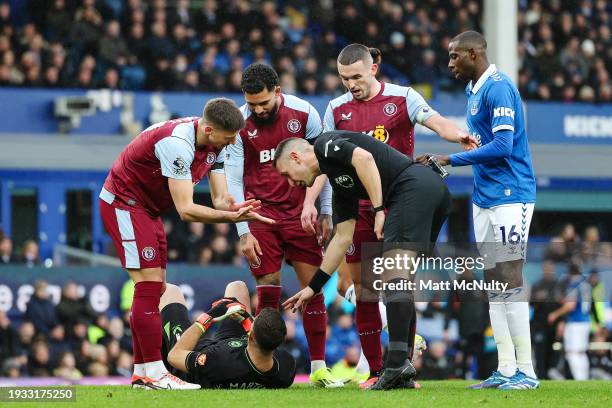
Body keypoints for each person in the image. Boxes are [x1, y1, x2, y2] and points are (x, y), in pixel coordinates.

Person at [323, 43, 476, 388]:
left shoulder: (402, 97)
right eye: (344, 78)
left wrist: (458, 135)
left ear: (373, 69)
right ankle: (377, 371)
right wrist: (314, 206)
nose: (351, 84)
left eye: (357, 76)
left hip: (398, 204)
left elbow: (435, 121)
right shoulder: (335, 109)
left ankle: (402, 366)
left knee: (398, 282)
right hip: (357, 207)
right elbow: (325, 163)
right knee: (364, 289)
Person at [99, 97, 273, 390]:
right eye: (228, 138)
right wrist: (230, 220)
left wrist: (232, 207)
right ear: (208, 130)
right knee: (149, 286)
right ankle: (153, 371)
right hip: (124, 204)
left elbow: (219, 199)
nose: (232, 144)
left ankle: (144, 372)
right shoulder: (177, 144)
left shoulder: (216, 143)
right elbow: (186, 210)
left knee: (156, 288)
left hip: (147, 209)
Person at [275, 131, 451, 390]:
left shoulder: (323, 145)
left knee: (394, 278)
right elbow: (342, 239)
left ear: (295, 157)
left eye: (286, 174)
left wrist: (379, 210)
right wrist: (313, 288)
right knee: (400, 282)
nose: (290, 183)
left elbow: (365, 158)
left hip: (412, 188)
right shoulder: (340, 183)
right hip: (431, 192)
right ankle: (401, 370)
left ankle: (395, 367)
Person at [418, 30, 539, 390]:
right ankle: (505, 368)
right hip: (484, 196)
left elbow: (503, 145)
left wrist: (451, 158)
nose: (450, 63)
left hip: (511, 194)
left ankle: (527, 371)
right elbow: (486, 143)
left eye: (455, 56)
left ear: (474, 53)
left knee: (510, 280)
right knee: (494, 284)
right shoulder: (474, 91)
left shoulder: (498, 88)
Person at [224, 63, 340, 387]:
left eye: (263, 102)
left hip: (301, 214)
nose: (257, 109)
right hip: (259, 216)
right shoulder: (238, 121)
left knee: (312, 288)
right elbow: (233, 178)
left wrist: (326, 209)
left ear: (278, 91)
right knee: (268, 291)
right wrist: (243, 231)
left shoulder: (304, 113)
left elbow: (323, 165)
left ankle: (318, 368)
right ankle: (263, 367)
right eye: (251, 103)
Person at [160, 281, 296, 389]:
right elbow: (262, 340)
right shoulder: (287, 366)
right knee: (238, 287)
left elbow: (174, 356)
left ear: (252, 336)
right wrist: (246, 319)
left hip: (190, 357)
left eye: (253, 322)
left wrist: (208, 317)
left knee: (168, 290)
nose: (251, 320)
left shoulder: (218, 361)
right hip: (233, 347)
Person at [548, 263, 592, 380]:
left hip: (575, 322)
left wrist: (555, 314)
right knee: (581, 353)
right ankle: (585, 379)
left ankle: (580, 379)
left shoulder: (573, 285)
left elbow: (570, 306)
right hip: (585, 321)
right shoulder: (586, 285)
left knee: (572, 353)